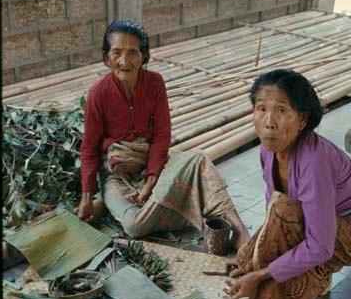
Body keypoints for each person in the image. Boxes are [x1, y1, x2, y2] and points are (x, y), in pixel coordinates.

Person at [223, 68, 351, 299]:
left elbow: (319, 244)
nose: (269, 121)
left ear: (302, 120)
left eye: (281, 110)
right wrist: (254, 256)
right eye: (261, 108)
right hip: (327, 228)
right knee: (246, 258)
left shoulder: (315, 161)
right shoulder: (268, 151)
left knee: (268, 292)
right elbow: (273, 215)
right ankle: (318, 277)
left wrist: (259, 276)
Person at [77, 19, 249, 249]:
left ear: (144, 56)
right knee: (134, 226)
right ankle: (197, 207)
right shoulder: (97, 94)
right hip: (118, 176)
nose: (124, 61)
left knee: (198, 161)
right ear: (106, 57)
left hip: (155, 164)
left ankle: (239, 230)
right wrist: (87, 197)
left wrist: (150, 183)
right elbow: (88, 149)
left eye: (133, 53)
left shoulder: (155, 83)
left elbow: (161, 136)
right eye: (116, 52)